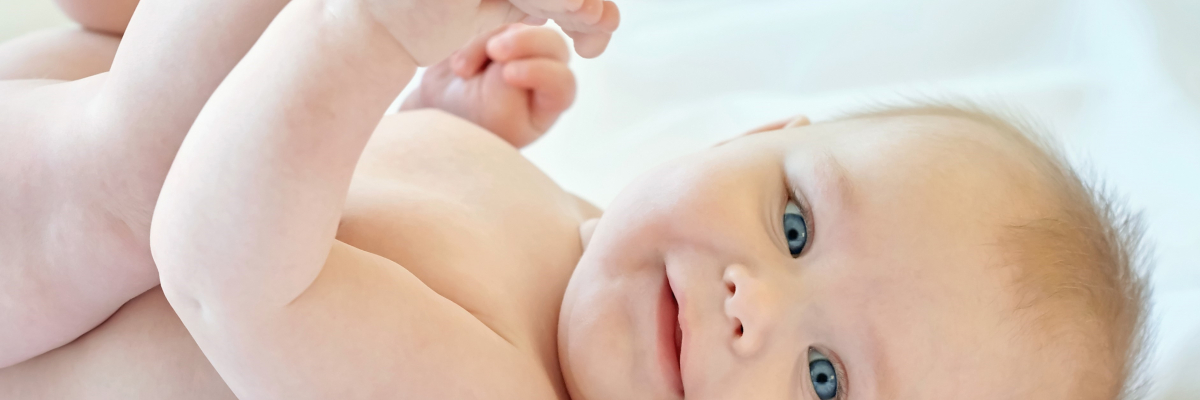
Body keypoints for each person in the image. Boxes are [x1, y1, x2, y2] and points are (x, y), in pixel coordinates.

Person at [0, 0, 613, 397]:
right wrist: (441, 122)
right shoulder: (596, 239)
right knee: (181, 96)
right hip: (71, 109)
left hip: (40, 310)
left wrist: (371, 28)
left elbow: (233, 281)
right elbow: (381, 228)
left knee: (135, 164)